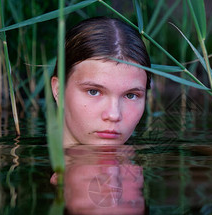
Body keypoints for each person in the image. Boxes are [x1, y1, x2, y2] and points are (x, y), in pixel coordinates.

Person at [51, 17, 151, 147]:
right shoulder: (21, 160)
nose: (114, 115)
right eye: (94, 92)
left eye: (131, 95)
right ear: (59, 91)